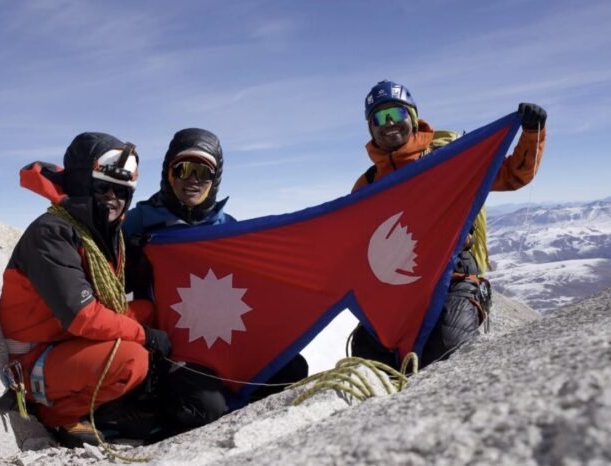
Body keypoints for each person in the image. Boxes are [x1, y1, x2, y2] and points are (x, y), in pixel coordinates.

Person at [122, 128, 309, 434]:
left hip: (222, 335)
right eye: (182, 169)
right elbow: (106, 280)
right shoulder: (138, 221)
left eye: (203, 172)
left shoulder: (227, 228)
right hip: (170, 346)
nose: (192, 179)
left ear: (215, 178)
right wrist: (135, 264)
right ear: (168, 173)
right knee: (203, 409)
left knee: (291, 369)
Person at [350, 80, 547, 368]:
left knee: (446, 342)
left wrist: (531, 133)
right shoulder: (367, 185)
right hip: (401, 284)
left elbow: (512, 175)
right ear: (371, 128)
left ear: (413, 119)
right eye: (379, 117)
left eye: (397, 114)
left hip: (455, 277)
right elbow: (353, 240)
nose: (389, 122)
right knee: (368, 350)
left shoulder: (451, 158)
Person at [0, 132, 172, 448]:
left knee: (149, 310)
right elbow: (82, 316)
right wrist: (146, 337)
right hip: (35, 359)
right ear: (81, 186)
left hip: (64, 339)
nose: (112, 197)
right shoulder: (51, 233)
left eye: (121, 191)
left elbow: (99, 287)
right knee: (132, 357)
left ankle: (127, 390)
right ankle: (59, 415)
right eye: (101, 188)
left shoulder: (95, 233)